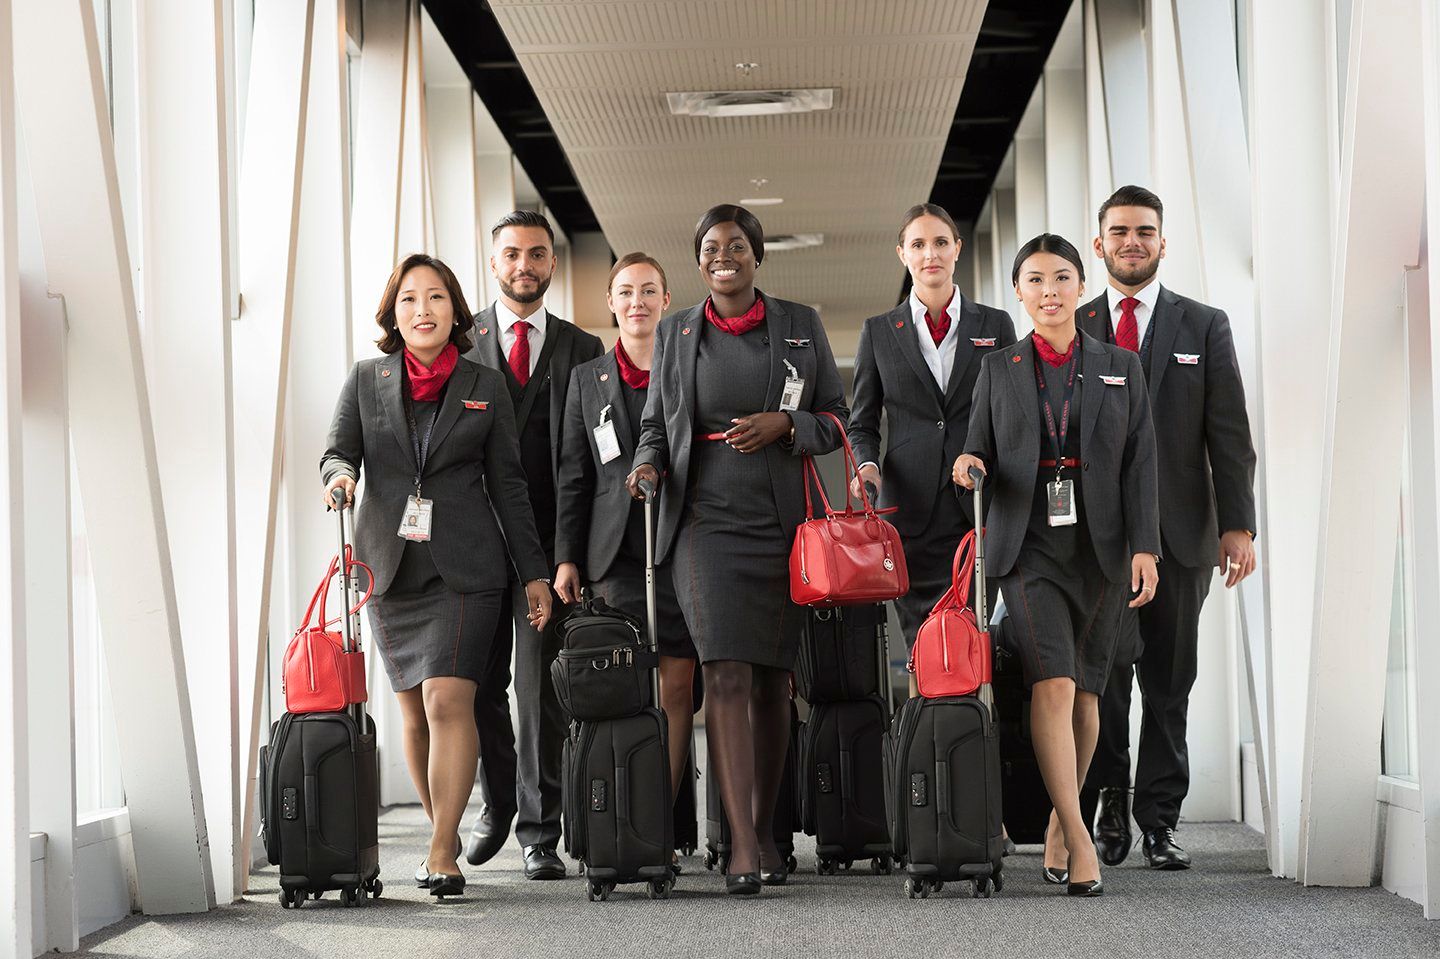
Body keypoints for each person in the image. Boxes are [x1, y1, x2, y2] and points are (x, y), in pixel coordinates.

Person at [626, 204, 848, 896]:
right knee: (721, 672)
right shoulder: (676, 332)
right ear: (700, 263)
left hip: (781, 525)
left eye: (737, 245)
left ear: (757, 256)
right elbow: (655, 426)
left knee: (773, 684)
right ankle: (743, 844)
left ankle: (763, 824)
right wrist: (646, 466)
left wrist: (789, 422)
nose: (724, 255)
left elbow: (838, 419)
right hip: (704, 523)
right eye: (711, 248)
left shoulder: (801, 326)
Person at [320, 253, 553, 899]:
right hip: (389, 571)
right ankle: (441, 829)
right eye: (409, 300)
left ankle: (442, 849)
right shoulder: (367, 379)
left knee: (447, 699)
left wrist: (532, 571)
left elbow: (509, 482)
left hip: (468, 567)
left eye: (436, 298)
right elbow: (339, 450)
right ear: (394, 314)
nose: (423, 310)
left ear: (456, 311)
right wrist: (339, 476)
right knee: (414, 715)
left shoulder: (485, 382)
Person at [952, 233, 1160, 897]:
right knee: (1054, 685)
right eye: (1036, 279)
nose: (1050, 291)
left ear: (1081, 285)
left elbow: (1141, 463)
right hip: (1029, 544)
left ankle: (1054, 819)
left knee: (1090, 696)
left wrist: (1145, 547)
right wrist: (966, 464)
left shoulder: (1119, 365)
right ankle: (1079, 834)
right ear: (1018, 291)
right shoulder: (999, 368)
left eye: (1063, 277)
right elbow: (974, 446)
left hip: (1101, 548)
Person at [1077, 185, 1258, 871]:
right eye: (1119, 231)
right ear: (1099, 244)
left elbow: (1230, 433)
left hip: (1183, 537)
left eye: (1144, 231)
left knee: (1169, 682)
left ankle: (1158, 820)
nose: (1132, 242)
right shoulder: (1079, 323)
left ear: (1162, 241)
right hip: (1099, 543)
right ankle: (1111, 808)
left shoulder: (1203, 325)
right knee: (1105, 681)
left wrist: (1238, 525)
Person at [461, 211, 605, 880]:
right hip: (469, 549)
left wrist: (574, 554)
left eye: (538, 253)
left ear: (553, 263)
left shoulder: (581, 351)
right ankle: (498, 805)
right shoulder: (462, 346)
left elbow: (593, 462)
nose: (525, 264)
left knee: (539, 690)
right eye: (512, 253)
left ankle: (540, 830)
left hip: (547, 551)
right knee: (480, 685)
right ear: (494, 264)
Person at [553, 252, 697, 868]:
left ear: (667, 301)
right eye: (624, 292)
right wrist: (566, 558)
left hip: (684, 542)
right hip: (613, 553)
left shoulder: (691, 367)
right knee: (621, 679)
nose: (636, 302)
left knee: (678, 681)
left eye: (648, 291)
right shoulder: (587, 381)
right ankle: (621, 808)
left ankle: (655, 821)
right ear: (610, 304)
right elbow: (572, 477)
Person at [848, 202, 1017, 658]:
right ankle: (930, 730)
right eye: (918, 245)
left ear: (957, 249)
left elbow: (1011, 413)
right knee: (925, 647)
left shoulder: (995, 325)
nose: (931, 255)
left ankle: (976, 730)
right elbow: (862, 420)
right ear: (902, 253)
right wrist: (866, 465)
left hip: (979, 510)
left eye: (941, 242)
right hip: (911, 513)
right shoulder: (880, 332)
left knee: (972, 644)